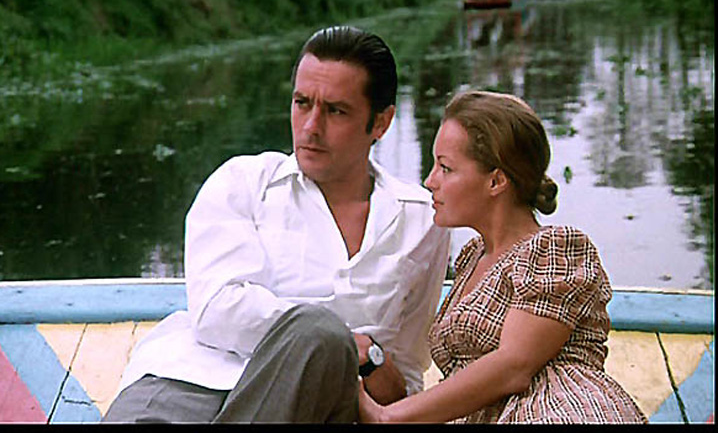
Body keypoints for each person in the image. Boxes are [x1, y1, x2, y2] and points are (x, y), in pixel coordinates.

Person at [103, 26, 450, 423]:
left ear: (381, 123)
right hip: (192, 379)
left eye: (335, 111)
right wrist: (350, 343)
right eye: (302, 103)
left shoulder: (420, 219)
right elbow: (217, 310)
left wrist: (338, 350)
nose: (311, 127)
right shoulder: (242, 183)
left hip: (318, 401)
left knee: (319, 333)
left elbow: (401, 377)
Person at [358, 90, 648, 424]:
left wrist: (387, 417)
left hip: (559, 412)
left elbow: (514, 366)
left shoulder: (554, 247)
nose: (430, 181)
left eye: (446, 168)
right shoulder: (472, 257)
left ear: (496, 181)